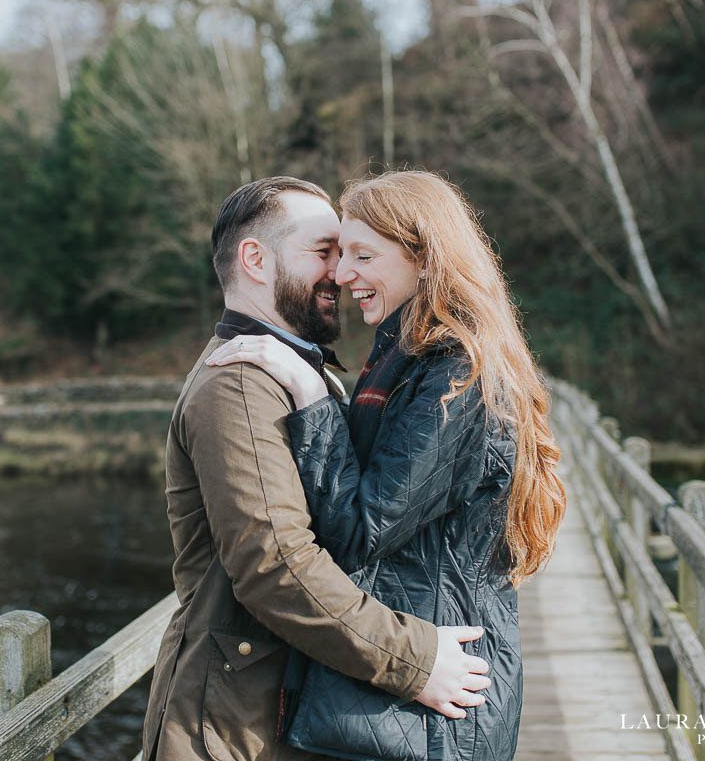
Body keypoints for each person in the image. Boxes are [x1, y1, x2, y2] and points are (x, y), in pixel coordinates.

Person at [205, 170, 567, 760]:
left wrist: (312, 392)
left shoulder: (457, 374)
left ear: (426, 258)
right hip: (407, 697)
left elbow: (360, 529)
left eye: (362, 255)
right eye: (337, 253)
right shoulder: (405, 356)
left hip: (438, 706)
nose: (343, 276)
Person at [141, 176, 492, 761]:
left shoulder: (299, 371)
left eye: (349, 253)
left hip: (277, 706)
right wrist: (414, 660)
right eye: (322, 252)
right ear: (255, 258)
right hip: (231, 729)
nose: (340, 271)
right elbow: (276, 568)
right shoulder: (241, 385)